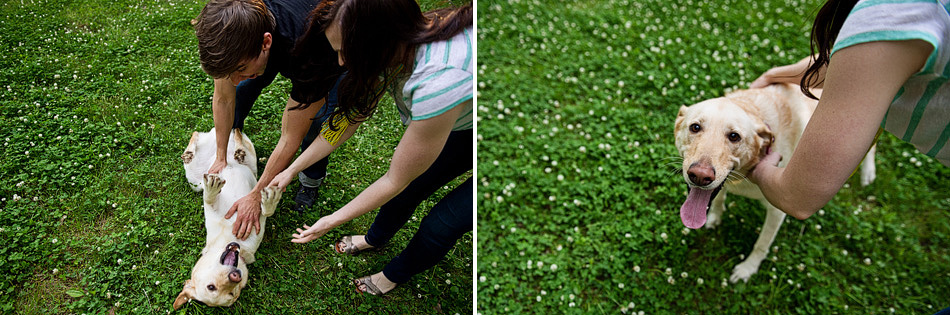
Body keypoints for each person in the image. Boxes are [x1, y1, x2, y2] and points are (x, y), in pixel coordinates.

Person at [267, 0, 473, 295]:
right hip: (458, 119)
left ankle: (393, 275)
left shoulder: (438, 83)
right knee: (412, 189)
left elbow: (394, 179)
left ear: (378, 42)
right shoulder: (398, 44)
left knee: (442, 224)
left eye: (344, 51)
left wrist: (330, 220)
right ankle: (375, 238)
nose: (340, 62)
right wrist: (292, 170)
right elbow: (349, 120)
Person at [748, 0, 948, 218]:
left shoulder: (891, 12)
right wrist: (775, 75)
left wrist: (757, 168)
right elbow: (851, 62)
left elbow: (795, 197)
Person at [193, 0, 345, 238]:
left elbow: (290, 136)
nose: (233, 79)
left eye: (239, 68)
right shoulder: (232, 26)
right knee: (242, 87)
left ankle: (311, 180)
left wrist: (256, 194)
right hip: (273, 40)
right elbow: (224, 98)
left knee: (317, 122)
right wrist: (221, 155)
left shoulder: (315, 51)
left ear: (266, 43)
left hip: (322, 49)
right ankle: (235, 139)